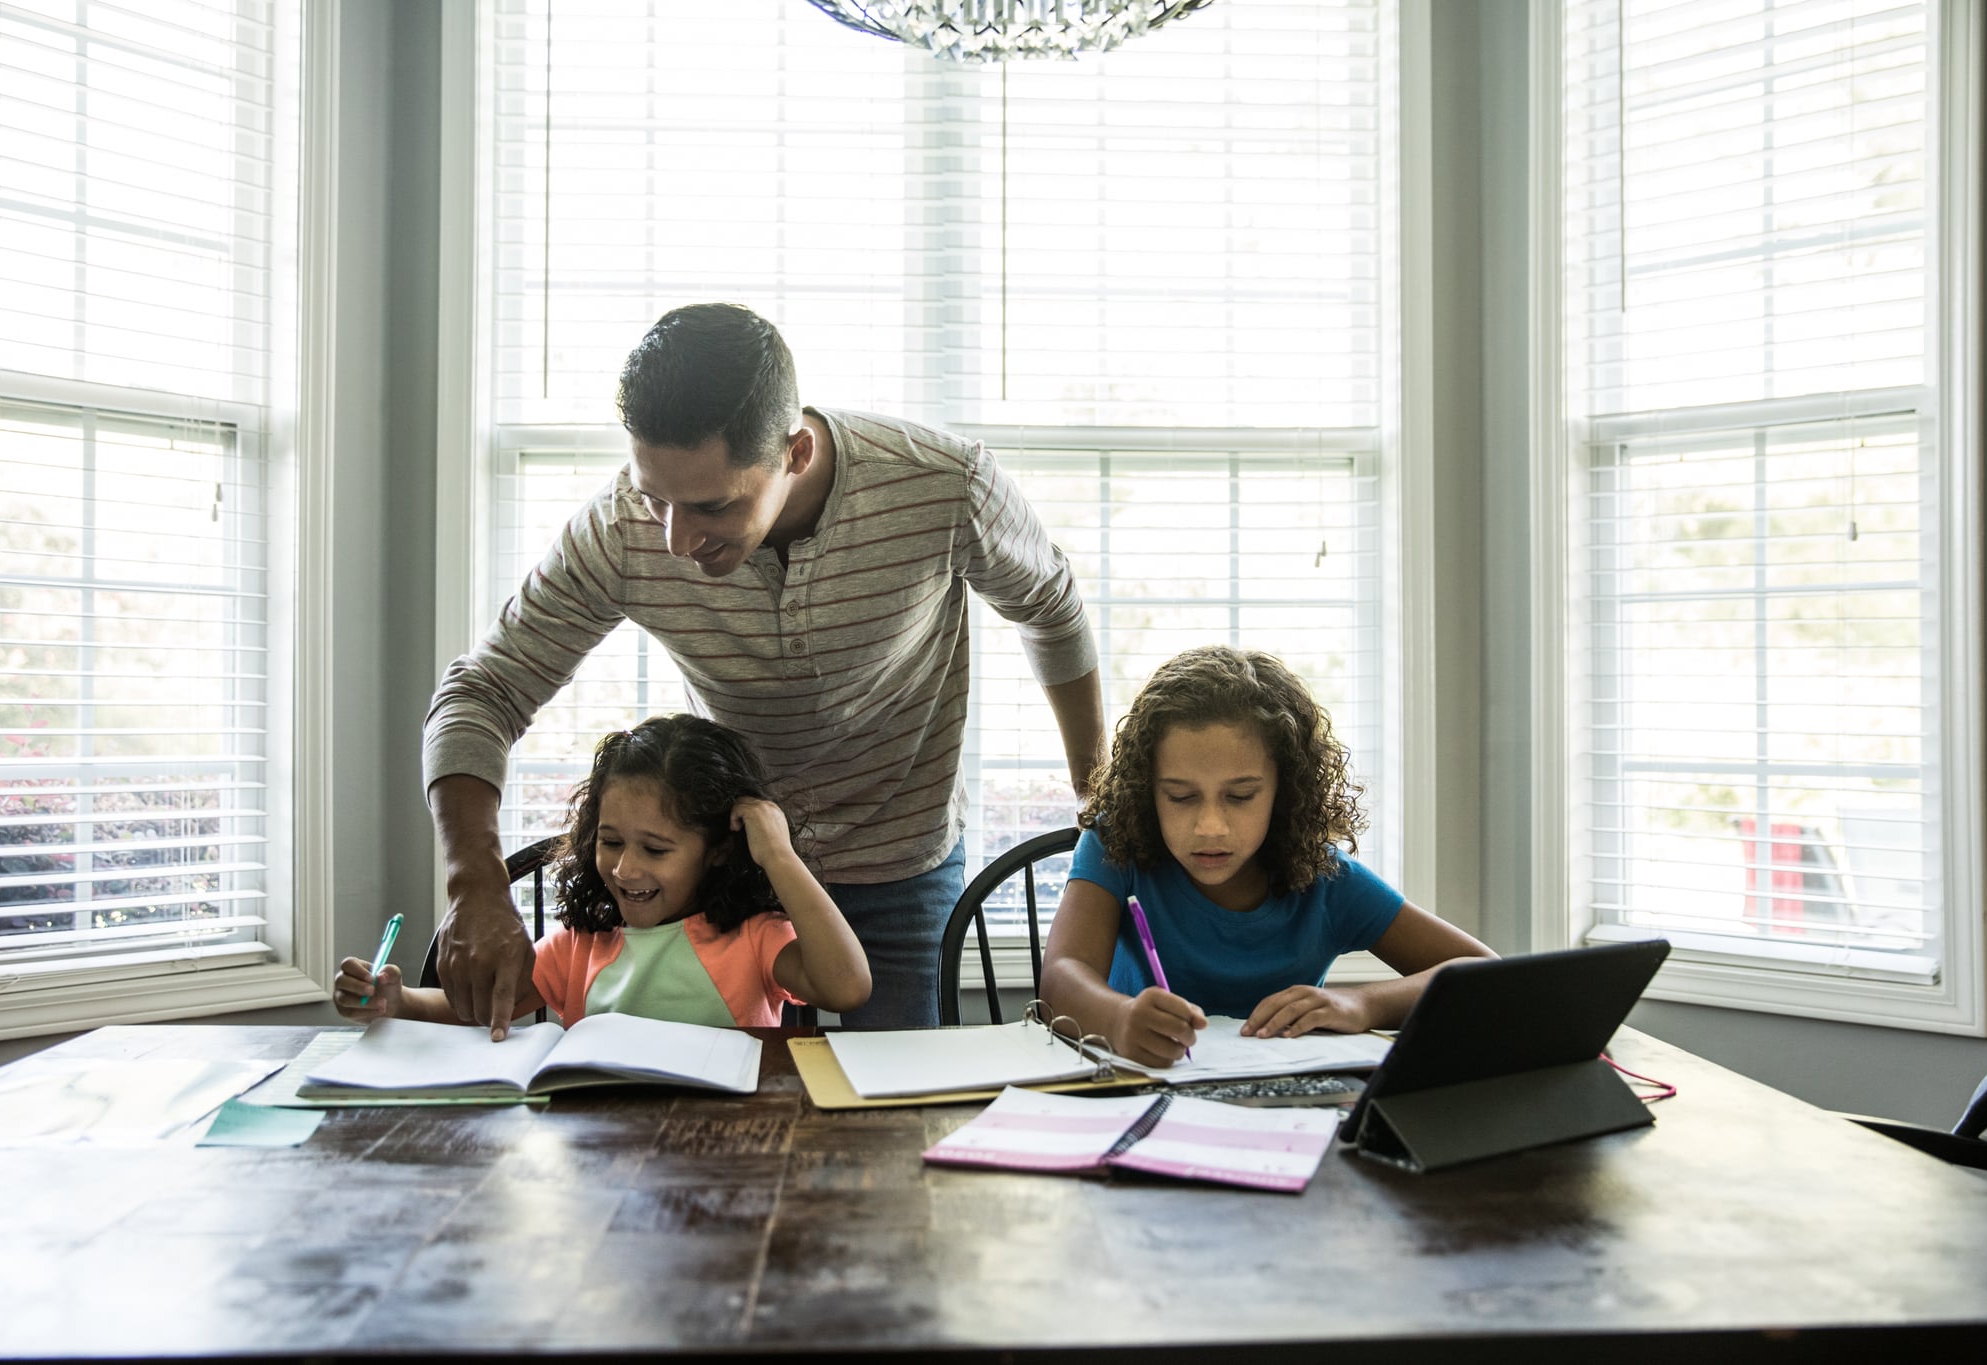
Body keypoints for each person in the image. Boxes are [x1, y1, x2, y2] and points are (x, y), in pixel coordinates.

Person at [425, 301, 1103, 1037]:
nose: (677, 538)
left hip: (901, 855)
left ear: (797, 453)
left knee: (892, 1118)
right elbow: (482, 691)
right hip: (727, 874)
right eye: (656, 498)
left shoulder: (945, 485)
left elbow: (1052, 609)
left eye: (712, 505)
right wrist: (475, 882)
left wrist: (1094, 788)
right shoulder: (621, 530)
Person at [1041, 646, 1494, 1068]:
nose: (1210, 826)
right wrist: (1119, 1020)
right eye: (1180, 797)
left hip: (1286, 1111)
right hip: (1136, 1092)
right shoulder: (1116, 845)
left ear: (1284, 793)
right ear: (1146, 793)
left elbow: (1483, 975)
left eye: (1240, 797)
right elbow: (1061, 976)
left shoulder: (1327, 879)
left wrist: (1362, 1003)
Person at [338, 715, 870, 1030]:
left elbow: (846, 988)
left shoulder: (753, 939)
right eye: (610, 841)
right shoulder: (578, 946)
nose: (624, 867)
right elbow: (480, 1009)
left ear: (718, 852)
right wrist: (399, 1001)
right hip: (600, 1157)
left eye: (656, 849)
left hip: (723, 1149)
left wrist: (778, 855)